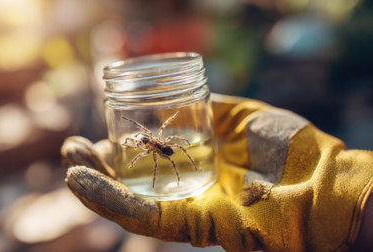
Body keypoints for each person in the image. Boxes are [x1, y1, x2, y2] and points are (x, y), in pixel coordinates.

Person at [62, 94, 373, 252]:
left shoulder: (160, 143)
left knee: (168, 153)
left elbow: (167, 140)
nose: (147, 141)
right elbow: (150, 138)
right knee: (162, 155)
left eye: (146, 139)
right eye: (145, 141)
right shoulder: (152, 144)